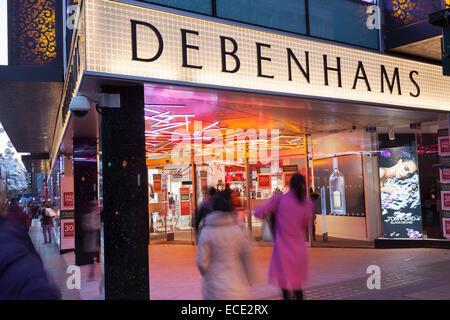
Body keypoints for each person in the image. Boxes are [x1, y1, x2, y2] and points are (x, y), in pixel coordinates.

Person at [254, 173, 314, 300]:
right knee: (297, 287)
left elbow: (257, 213)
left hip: (282, 251)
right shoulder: (307, 204)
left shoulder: (279, 200)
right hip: (298, 250)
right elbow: (305, 225)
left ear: (289, 184)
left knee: (285, 289)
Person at [196, 191, 255, 300]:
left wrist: (208, 275)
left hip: (214, 288)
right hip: (236, 287)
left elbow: (202, 263)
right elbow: (247, 256)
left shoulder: (206, 232)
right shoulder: (238, 230)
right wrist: (250, 278)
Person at [0, 213, 60, 299]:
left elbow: (36, 287)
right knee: (49, 231)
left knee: (46, 231)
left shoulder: (8, 238)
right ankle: (48, 240)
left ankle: (47, 241)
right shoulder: (12, 232)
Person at [81, 200, 101, 281]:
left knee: (94, 258)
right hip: (90, 240)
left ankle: (91, 274)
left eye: (95, 206)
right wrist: (94, 227)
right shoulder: (86, 216)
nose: (95, 207)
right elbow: (86, 226)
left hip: (95, 239)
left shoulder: (97, 215)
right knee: (91, 258)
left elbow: (97, 225)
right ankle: (91, 274)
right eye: (93, 206)